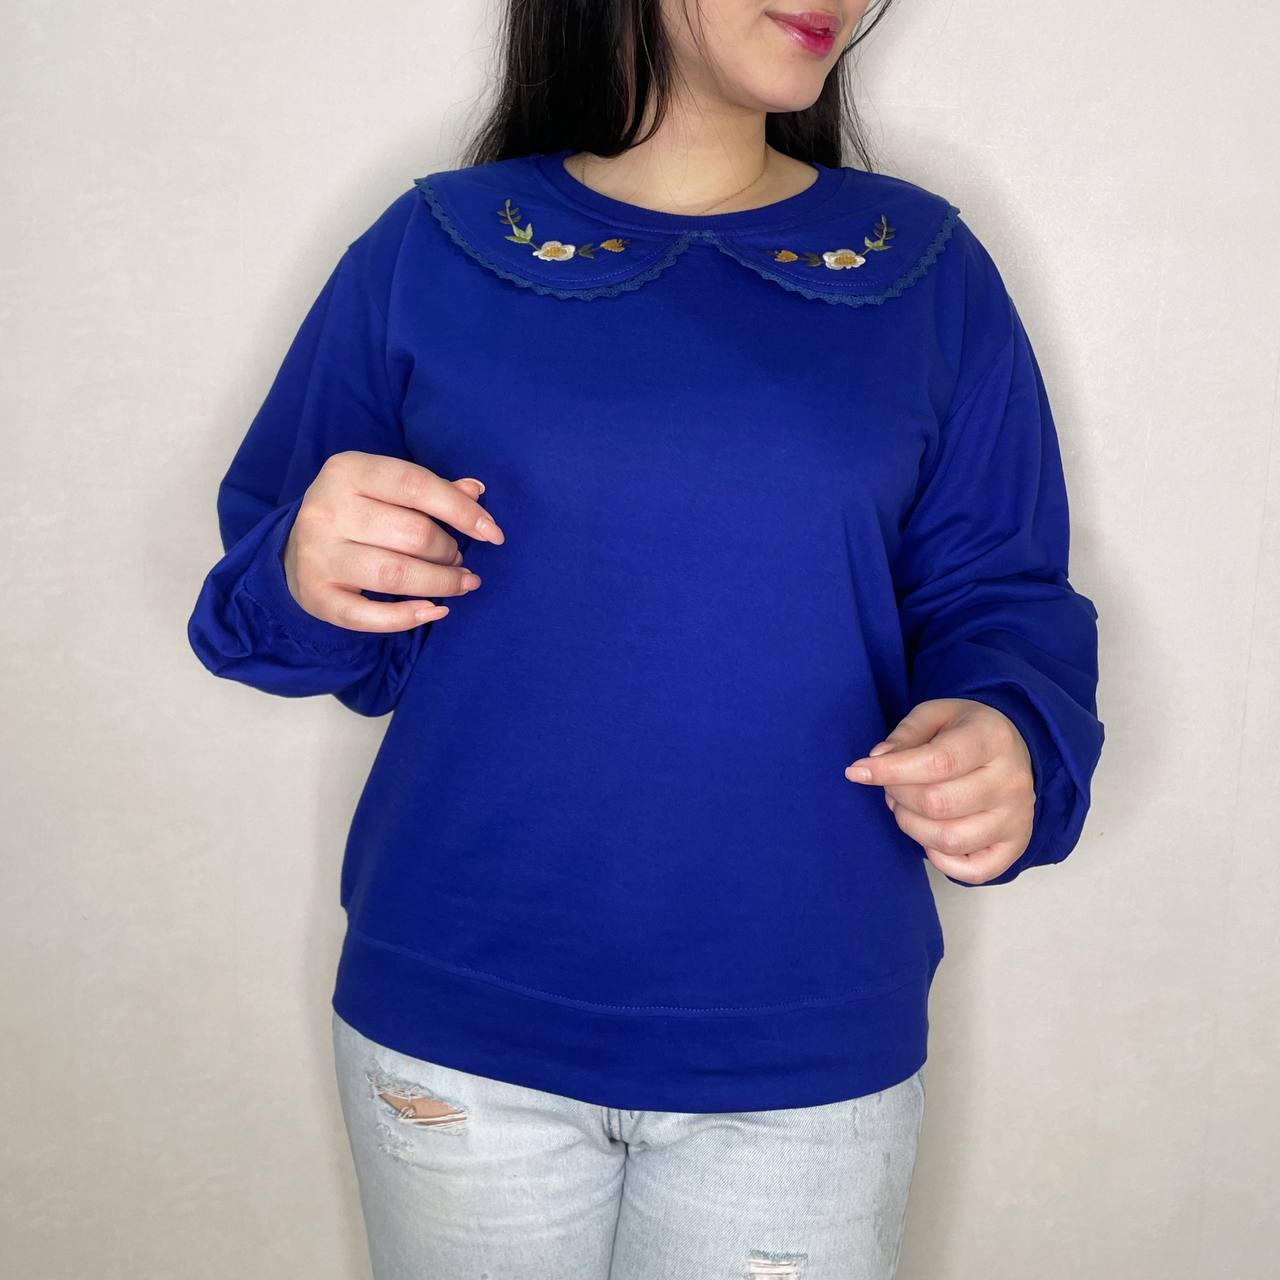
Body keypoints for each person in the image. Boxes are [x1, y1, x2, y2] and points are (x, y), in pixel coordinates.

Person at [186, 1, 1105, 1275]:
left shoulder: (925, 270)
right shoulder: (431, 250)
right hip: (458, 1022)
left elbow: (997, 592)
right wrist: (305, 565)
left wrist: (1002, 725)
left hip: (803, 1041)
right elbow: (280, 620)